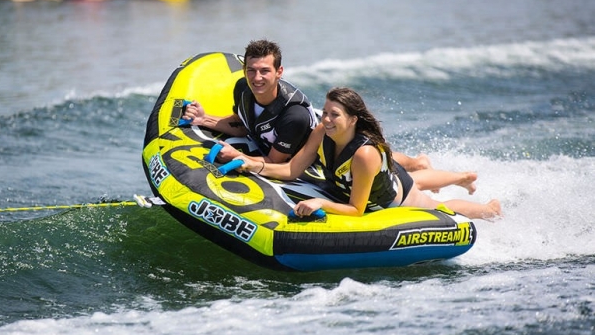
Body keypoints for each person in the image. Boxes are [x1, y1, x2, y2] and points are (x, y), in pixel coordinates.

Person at [235, 87, 502, 221]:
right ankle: (460, 178)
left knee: (437, 206)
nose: (326, 119)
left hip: (392, 198)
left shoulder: (364, 155)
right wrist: (251, 165)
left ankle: (488, 209)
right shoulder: (321, 132)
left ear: (353, 119)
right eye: (325, 112)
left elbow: (356, 209)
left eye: (334, 115)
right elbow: (292, 169)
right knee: (415, 179)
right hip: (378, 176)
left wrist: (320, 204)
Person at [183, 39, 432, 170]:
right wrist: (204, 119)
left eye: (264, 71)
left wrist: (238, 156)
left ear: (279, 72)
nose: (256, 78)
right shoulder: (243, 89)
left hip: (329, 146)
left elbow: (276, 162)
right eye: (251, 70)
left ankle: (418, 164)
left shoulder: (293, 116)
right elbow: (244, 125)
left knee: (377, 162)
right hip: (294, 136)